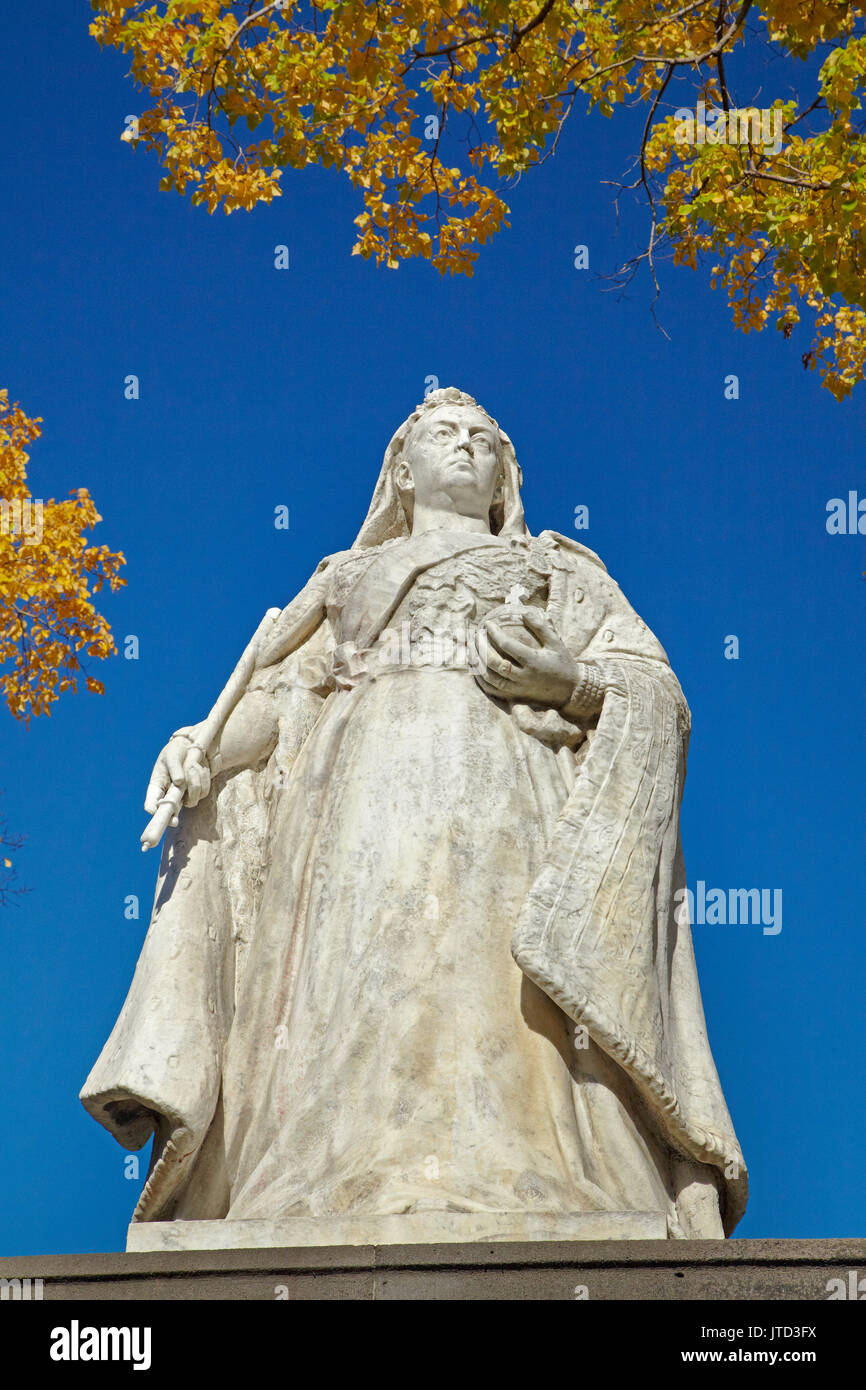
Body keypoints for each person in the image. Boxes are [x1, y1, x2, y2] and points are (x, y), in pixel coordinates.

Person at [81, 388, 747, 1242]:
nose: (465, 446)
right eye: (443, 434)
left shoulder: (559, 570)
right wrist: (200, 750)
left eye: (483, 439)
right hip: (352, 793)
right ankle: (328, 1182)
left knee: (496, 981)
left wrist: (572, 685)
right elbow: (282, 692)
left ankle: (533, 1181)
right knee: (358, 971)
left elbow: (656, 690)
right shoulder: (344, 576)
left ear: (508, 475)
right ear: (401, 468)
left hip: (508, 787)